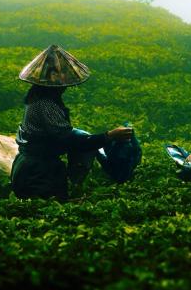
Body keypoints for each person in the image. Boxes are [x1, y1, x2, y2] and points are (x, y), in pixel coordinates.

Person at [10, 44, 134, 200]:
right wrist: (109, 136)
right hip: (37, 172)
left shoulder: (37, 97)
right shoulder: (45, 105)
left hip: (34, 165)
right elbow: (71, 141)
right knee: (45, 209)